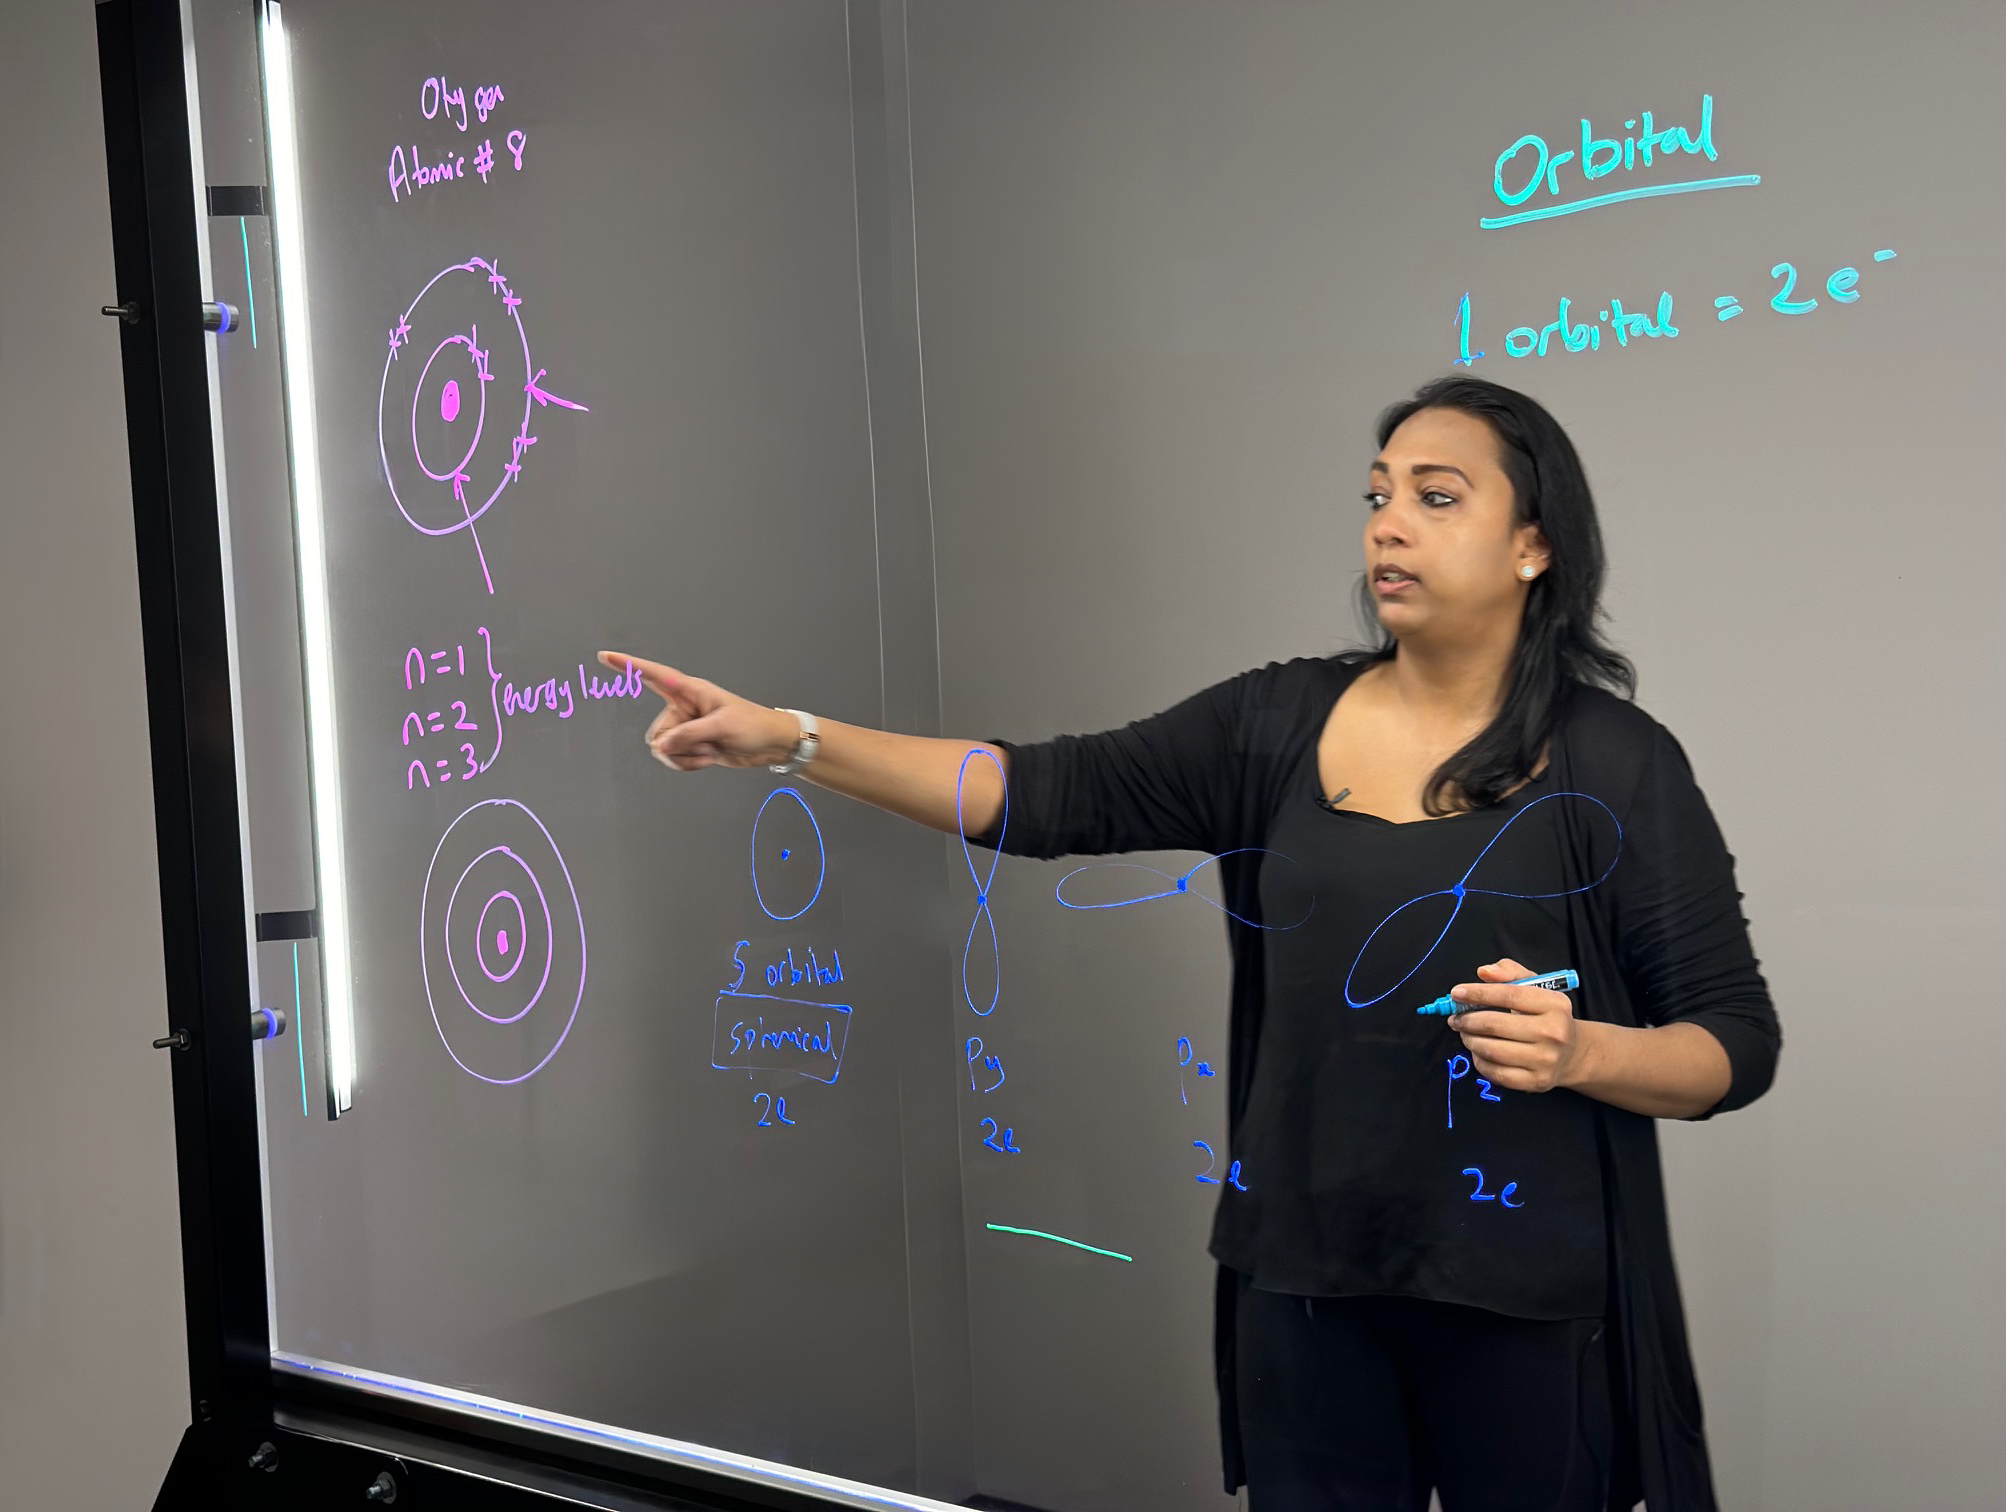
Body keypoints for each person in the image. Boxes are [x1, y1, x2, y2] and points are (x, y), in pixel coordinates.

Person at [599, 374, 1780, 1511]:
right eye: (1376, 496)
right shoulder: (1274, 721)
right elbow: (1036, 791)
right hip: (1302, 1286)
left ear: (1533, 545)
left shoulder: (1618, 764)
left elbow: (1733, 1043)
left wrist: (1582, 1057)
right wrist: (787, 739)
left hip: (1530, 1308)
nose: (1387, 528)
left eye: (1434, 496)